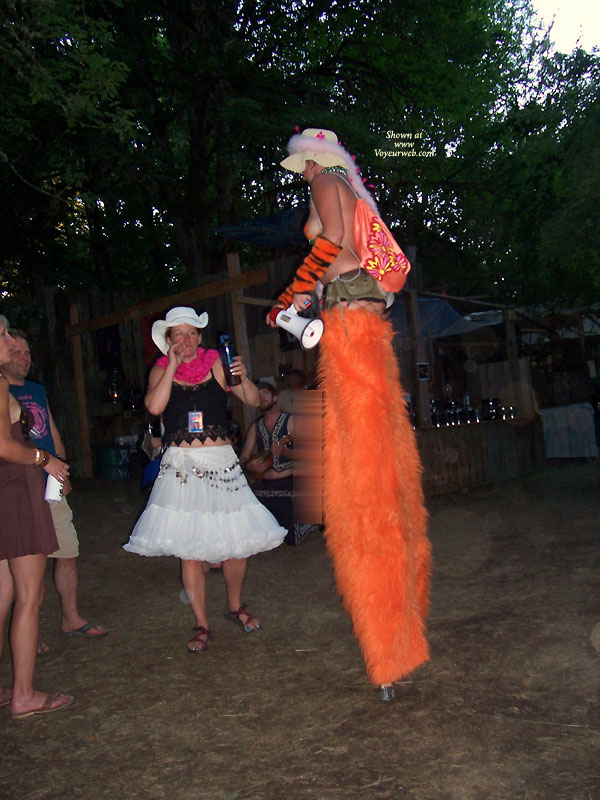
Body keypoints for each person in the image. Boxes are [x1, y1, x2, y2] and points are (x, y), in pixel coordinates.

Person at [268, 128, 431, 701]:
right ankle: (394, 640)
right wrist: (303, 300)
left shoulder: (331, 182)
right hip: (351, 327)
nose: (303, 175)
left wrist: (293, 292)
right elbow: (340, 246)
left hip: (354, 329)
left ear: (318, 160)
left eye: (304, 166)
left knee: (365, 484)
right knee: (372, 472)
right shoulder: (341, 184)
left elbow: (333, 238)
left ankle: (389, 643)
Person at [124, 307, 286, 653]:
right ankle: (201, 622)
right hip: (181, 465)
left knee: (236, 541)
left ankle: (234, 605)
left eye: (192, 333)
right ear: (168, 341)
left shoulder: (217, 363)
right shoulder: (159, 369)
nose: (186, 340)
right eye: (178, 334)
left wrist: (242, 377)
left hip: (221, 461)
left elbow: (255, 400)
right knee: (190, 548)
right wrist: (169, 367)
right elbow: (154, 407)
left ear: (200, 337)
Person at [5, 331, 107, 649]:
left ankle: (71, 618)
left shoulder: (36, 389)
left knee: (66, 550)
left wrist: (62, 468)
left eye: (27, 353)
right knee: (26, 563)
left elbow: (50, 427)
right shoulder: (0, 390)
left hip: (50, 478)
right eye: (17, 352)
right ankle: (27, 633)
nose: (24, 358)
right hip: (19, 485)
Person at [0, 315, 73, 718]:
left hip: (3, 491)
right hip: (15, 488)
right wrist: (44, 459)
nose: (10, 342)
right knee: (30, 595)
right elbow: (6, 447)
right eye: (4, 335)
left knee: (4, 594)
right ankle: (24, 695)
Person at [240, 382, 314, 546]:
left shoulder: (291, 421)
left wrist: (285, 452)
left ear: (275, 397)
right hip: (264, 483)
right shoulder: (255, 427)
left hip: (289, 480)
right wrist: (249, 465)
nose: (262, 397)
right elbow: (244, 456)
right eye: (258, 394)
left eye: (265, 393)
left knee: (291, 536)